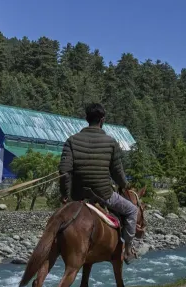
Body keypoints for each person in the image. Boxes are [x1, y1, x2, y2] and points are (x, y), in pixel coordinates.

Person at [59, 103, 140, 262]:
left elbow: (64, 172)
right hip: (103, 195)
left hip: (78, 195)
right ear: (102, 120)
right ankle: (128, 249)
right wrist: (124, 185)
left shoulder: (71, 141)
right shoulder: (110, 142)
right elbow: (117, 172)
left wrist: (65, 195)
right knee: (132, 210)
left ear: (86, 119)